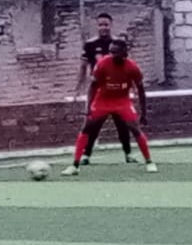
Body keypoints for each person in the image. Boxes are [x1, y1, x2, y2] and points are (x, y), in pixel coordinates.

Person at [62, 39, 157, 176]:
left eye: (116, 52)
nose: (113, 55)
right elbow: (92, 87)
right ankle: (75, 166)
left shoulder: (132, 67)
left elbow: (141, 91)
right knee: (87, 128)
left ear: (124, 52)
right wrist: (88, 106)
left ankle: (149, 161)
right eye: (111, 52)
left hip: (122, 101)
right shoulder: (103, 64)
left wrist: (144, 113)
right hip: (102, 100)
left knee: (134, 128)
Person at [73, 13, 137, 165]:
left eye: (106, 24)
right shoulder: (90, 44)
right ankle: (86, 155)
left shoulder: (118, 44)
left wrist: (133, 86)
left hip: (117, 90)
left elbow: (128, 66)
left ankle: (128, 154)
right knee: (93, 123)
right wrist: (78, 88)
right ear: (97, 26)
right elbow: (83, 68)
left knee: (122, 123)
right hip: (99, 91)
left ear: (111, 25)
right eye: (101, 24)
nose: (103, 27)